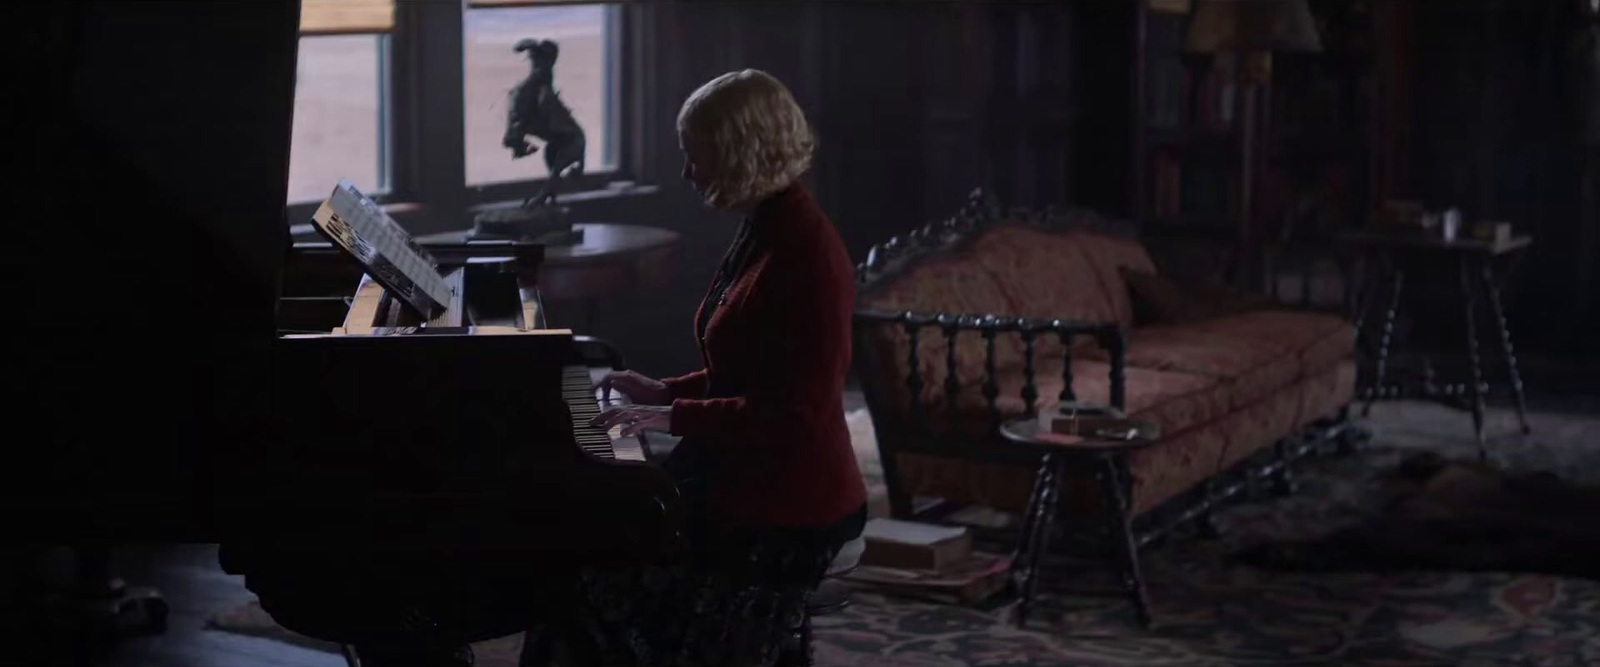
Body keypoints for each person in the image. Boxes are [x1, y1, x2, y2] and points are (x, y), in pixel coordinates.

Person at [559, 69, 868, 666]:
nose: (686, 173)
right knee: (595, 550)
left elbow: (794, 415)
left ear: (739, 154)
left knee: (591, 584)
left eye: (694, 156)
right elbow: (749, 368)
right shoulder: (768, 228)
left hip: (794, 506)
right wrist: (664, 391)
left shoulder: (806, 256)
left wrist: (667, 416)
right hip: (754, 480)